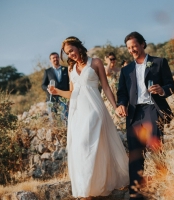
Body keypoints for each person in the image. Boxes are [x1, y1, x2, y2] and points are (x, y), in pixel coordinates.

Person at [47, 36, 129, 199]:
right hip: (77, 112)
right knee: (81, 148)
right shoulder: (70, 69)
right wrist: (57, 92)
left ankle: (90, 187)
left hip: (93, 108)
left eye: (71, 50)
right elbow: (71, 93)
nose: (70, 54)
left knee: (86, 143)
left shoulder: (96, 62)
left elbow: (105, 87)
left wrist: (115, 107)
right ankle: (89, 190)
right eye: (67, 53)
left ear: (78, 47)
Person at [116, 31, 174, 200]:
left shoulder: (159, 62)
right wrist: (121, 104)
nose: (132, 49)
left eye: (134, 45)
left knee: (156, 148)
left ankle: (163, 186)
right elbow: (122, 93)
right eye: (128, 47)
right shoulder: (126, 70)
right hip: (134, 114)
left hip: (152, 109)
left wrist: (162, 89)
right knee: (135, 154)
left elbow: (171, 85)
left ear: (142, 44)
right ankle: (136, 195)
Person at [41, 52, 69, 119]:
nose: (55, 59)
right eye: (53, 58)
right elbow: (43, 85)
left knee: (65, 117)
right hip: (51, 99)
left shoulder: (66, 69)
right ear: (50, 60)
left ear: (59, 58)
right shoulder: (47, 71)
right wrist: (47, 88)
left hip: (64, 98)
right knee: (52, 119)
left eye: (57, 57)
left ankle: (65, 129)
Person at [101, 52, 125, 130]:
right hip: (109, 94)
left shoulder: (119, 69)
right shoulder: (105, 68)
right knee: (111, 113)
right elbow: (107, 73)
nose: (112, 61)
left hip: (119, 93)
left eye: (113, 59)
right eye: (110, 59)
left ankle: (121, 130)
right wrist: (108, 63)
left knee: (120, 114)